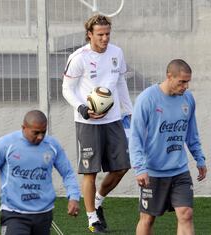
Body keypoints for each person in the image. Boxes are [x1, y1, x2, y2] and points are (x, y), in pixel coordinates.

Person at [62, 14, 133, 233]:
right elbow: (67, 89)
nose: (104, 39)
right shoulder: (79, 57)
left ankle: (99, 201)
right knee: (90, 172)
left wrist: (129, 112)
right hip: (88, 123)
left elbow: (120, 82)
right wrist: (83, 109)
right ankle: (92, 219)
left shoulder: (117, 53)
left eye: (107, 34)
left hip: (113, 120)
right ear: (89, 35)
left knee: (122, 167)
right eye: (100, 35)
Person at [129, 59, 207, 235]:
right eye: (182, 82)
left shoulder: (187, 99)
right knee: (147, 219)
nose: (186, 86)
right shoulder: (147, 99)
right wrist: (139, 168)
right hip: (153, 172)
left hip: (179, 170)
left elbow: (191, 133)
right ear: (169, 76)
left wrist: (199, 158)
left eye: (188, 81)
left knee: (186, 214)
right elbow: (135, 137)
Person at [0, 110, 80, 235]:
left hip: (44, 214)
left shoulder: (52, 145)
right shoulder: (6, 144)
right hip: (14, 214)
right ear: (23, 128)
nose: (40, 137)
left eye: (43, 132)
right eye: (36, 133)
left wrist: (74, 196)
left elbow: (68, 173)